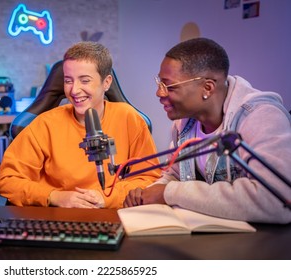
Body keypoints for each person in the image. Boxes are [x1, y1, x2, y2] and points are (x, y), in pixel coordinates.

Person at [124, 37, 291, 224]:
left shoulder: (261, 118)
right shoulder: (183, 124)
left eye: (169, 86)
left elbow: (275, 203)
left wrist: (168, 192)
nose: (159, 93)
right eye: (159, 83)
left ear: (207, 87)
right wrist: (150, 192)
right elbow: (175, 175)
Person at [0, 41, 161, 208]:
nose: (74, 90)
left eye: (84, 80)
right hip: (60, 219)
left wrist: (105, 197)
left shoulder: (129, 118)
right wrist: (54, 197)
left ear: (106, 82)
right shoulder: (44, 124)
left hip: (113, 217)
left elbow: (149, 178)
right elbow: (8, 181)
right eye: (68, 81)